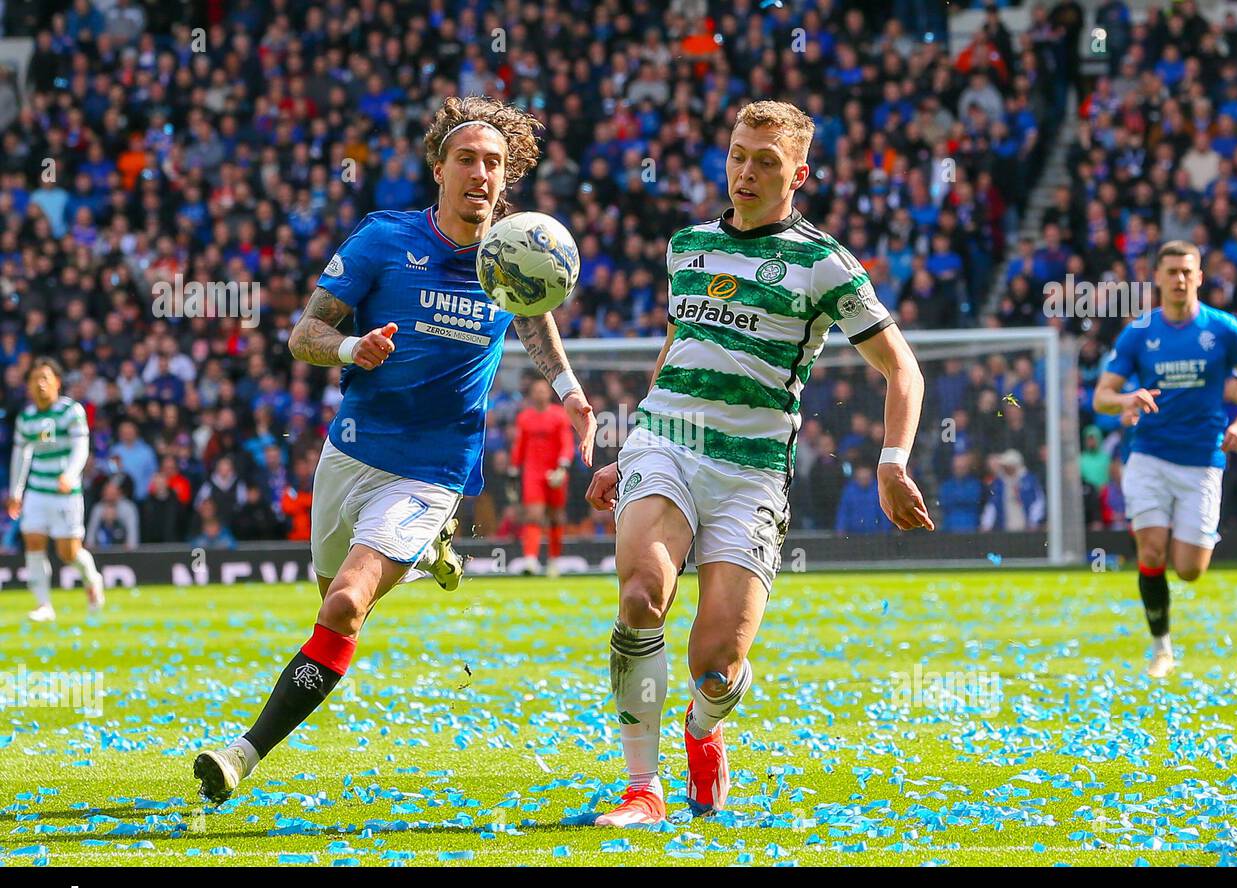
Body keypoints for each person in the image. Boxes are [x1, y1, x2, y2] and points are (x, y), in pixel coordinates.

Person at [192, 97, 597, 804]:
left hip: (433, 467)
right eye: (467, 159)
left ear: (507, 181)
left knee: (347, 603)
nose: (481, 173)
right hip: (351, 452)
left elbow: (533, 320)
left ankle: (240, 755)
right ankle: (418, 558)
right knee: (332, 607)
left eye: (494, 164)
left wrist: (567, 389)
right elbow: (302, 335)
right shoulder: (382, 240)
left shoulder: (513, 252)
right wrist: (355, 347)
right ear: (438, 168)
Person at [584, 101, 932, 826]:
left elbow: (903, 370)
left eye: (765, 161)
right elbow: (680, 347)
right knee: (643, 593)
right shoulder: (687, 245)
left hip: (753, 472)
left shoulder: (823, 264)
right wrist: (631, 447)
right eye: (739, 155)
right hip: (666, 444)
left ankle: (703, 730)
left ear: (797, 173)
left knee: (717, 666)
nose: (746, 170)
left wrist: (892, 462)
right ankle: (642, 789)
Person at [1093, 240, 1237, 678]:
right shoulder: (1139, 333)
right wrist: (1126, 398)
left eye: (1187, 272)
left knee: (1190, 570)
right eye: (1171, 271)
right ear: (1157, 277)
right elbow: (1102, 396)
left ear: (1199, 277)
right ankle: (1161, 647)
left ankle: (1184, 544)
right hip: (1149, 456)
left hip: (1203, 459)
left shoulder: (1223, 328)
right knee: (1151, 548)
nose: (1179, 280)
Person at [5, 358, 105, 621]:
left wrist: (71, 475)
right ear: (27, 386)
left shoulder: (71, 411)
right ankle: (44, 605)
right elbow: (21, 455)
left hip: (64, 491)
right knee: (33, 540)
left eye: (45, 378)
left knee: (68, 552)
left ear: (57, 382)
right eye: (34, 379)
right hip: (38, 488)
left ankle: (92, 579)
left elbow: (81, 447)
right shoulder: (26, 417)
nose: (40, 384)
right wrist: (16, 492)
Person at [511, 375, 575, 575]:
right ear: (531, 394)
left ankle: (554, 561)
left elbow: (567, 443)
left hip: (555, 472)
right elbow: (519, 445)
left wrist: (563, 466)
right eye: (536, 390)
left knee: (556, 517)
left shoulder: (559, 415)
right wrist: (514, 468)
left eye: (543, 390)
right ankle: (530, 559)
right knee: (534, 514)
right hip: (533, 472)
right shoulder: (524, 417)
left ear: (549, 393)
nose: (540, 394)